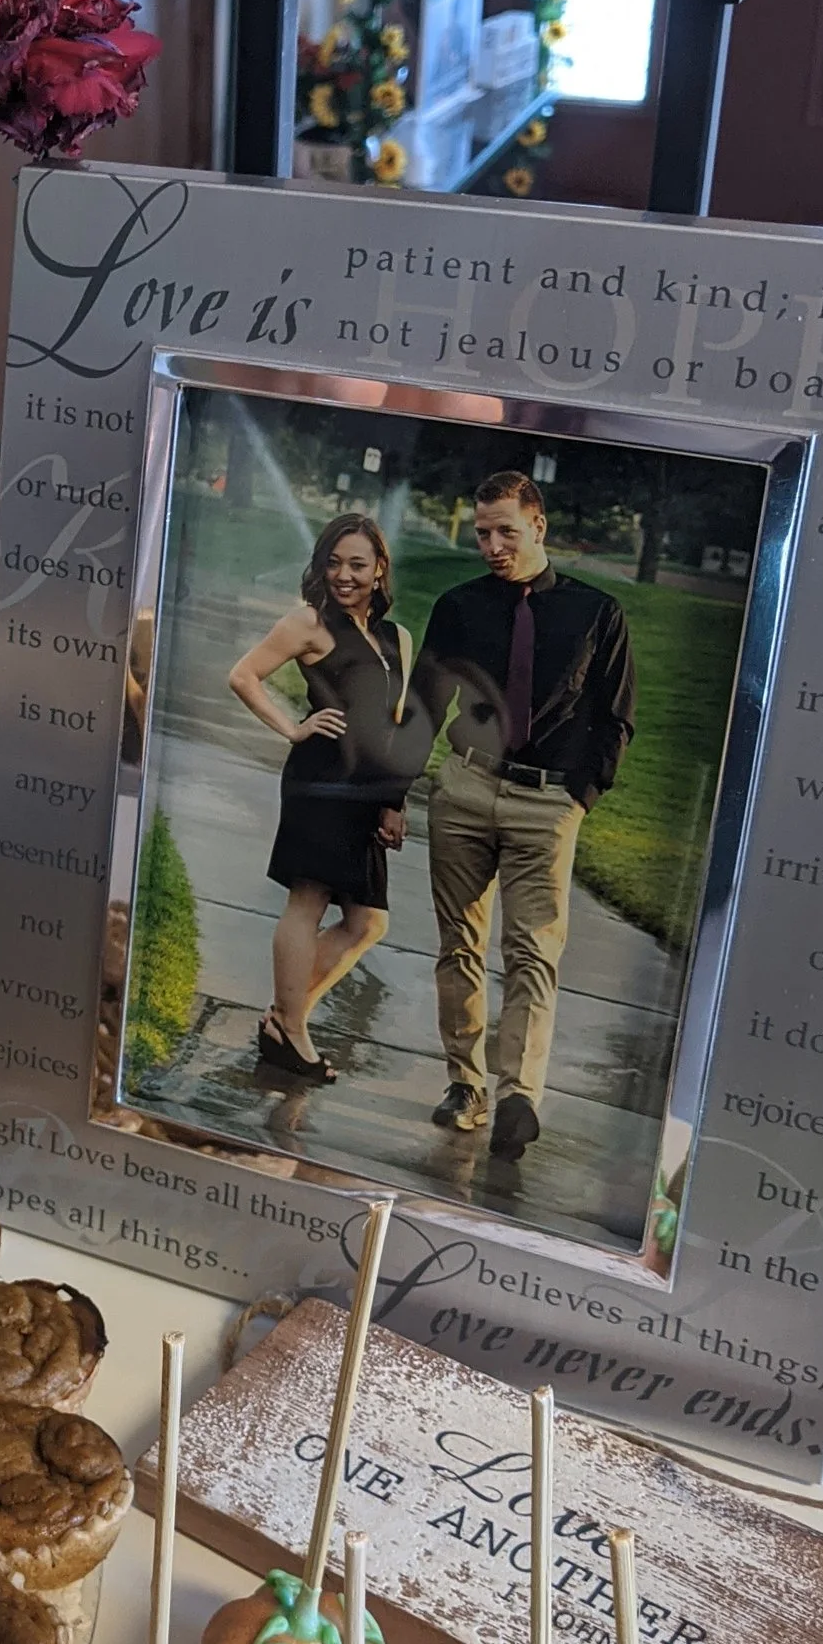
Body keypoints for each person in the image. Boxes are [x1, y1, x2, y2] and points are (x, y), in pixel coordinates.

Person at [415, 471, 635, 1160]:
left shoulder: (599, 614)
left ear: (539, 525)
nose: (491, 544)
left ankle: (519, 1096)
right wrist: (392, 795)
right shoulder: (458, 606)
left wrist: (580, 796)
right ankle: (465, 1085)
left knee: (533, 950)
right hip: (467, 789)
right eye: (482, 532)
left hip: (549, 801)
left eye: (505, 530)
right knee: (459, 943)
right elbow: (425, 702)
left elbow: (616, 716)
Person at [227, 512, 422, 1082]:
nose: (344, 574)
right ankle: (295, 1030)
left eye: (358, 564)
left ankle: (284, 1019)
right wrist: (291, 727)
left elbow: (397, 720)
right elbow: (243, 676)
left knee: (367, 921)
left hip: (367, 790)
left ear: (380, 568)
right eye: (334, 562)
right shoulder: (307, 623)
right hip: (319, 782)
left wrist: (394, 800)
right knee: (307, 904)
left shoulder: (397, 637)